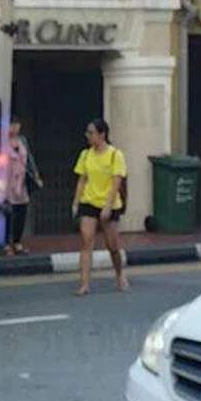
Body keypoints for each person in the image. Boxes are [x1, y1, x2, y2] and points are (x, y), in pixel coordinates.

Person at [71, 118, 129, 296]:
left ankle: (119, 274)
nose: (88, 136)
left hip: (108, 204)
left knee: (112, 246)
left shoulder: (114, 155)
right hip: (89, 201)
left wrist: (108, 206)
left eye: (91, 133)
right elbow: (82, 180)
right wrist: (76, 201)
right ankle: (84, 284)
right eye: (87, 133)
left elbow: (116, 182)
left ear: (102, 134)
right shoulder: (85, 155)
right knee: (86, 242)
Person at [3, 116, 43, 256]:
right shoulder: (2, 141)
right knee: (8, 212)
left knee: (21, 211)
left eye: (16, 124)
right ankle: (6, 243)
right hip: (7, 180)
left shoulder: (22, 140)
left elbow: (29, 158)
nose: (14, 127)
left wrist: (36, 174)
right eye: (12, 124)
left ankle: (17, 241)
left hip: (21, 180)